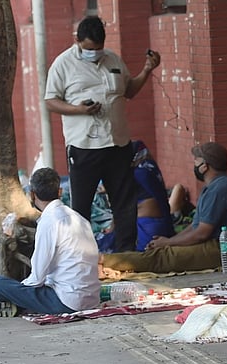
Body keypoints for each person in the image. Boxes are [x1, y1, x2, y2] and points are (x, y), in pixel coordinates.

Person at [44, 15, 161, 252]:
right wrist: (79, 109)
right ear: (77, 40)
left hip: (117, 144)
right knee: (82, 206)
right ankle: (81, 255)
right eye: (88, 49)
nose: (94, 52)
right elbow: (50, 102)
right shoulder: (63, 64)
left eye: (98, 48)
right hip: (84, 147)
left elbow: (129, 91)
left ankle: (126, 253)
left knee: (124, 203)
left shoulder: (113, 60)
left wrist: (147, 70)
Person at [99, 141, 227, 273]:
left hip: (224, 251)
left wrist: (168, 243)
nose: (194, 164)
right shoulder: (213, 187)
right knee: (162, 251)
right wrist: (169, 241)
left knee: (160, 258)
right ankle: (103, 261)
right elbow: (195, 226)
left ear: (204, 166)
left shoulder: (220, 189)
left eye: (196, 161)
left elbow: (201, 233)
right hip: (215, 245)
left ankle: (102, 262)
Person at [0, 168, 101, 317]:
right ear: (60, 192)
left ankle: (9, 304)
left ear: (32, 194)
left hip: (66, 302)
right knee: (18, 287)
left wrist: (18, 291)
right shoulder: (79, 218)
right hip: (92, 300)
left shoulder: (48, 222)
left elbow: (37, 279)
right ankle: (19, 304)